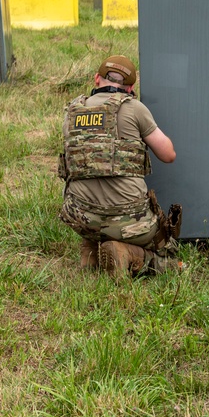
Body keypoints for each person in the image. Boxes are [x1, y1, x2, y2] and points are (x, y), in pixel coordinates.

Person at [58, 54, 183, 277]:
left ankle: (92, 250)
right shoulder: (135, 108)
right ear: (131, 87)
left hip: (79, 216)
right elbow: (168, 154)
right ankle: (126, 253)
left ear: (97, 79)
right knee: (166, 248)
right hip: (128, 220)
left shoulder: (72, 112)